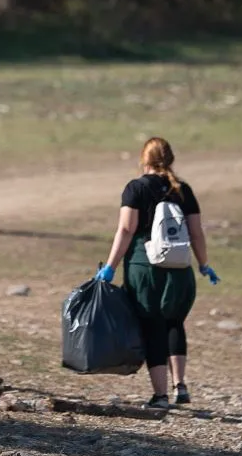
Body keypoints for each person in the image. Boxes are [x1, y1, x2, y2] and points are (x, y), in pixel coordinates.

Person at [94, 137, 220, 409]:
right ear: (171, 159)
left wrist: (109, 267)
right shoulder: (183, 189)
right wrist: (203, 265)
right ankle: (181, 387)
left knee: (152, 327)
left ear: (144, 159)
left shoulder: (135, 188)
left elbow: (127, 230)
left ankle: (160, 395)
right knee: (175, 323)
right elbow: (196, 233)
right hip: (180, 271)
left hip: (144, 269)